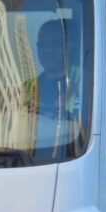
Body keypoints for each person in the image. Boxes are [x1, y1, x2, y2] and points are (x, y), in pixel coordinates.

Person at [33, 19, 82, 156]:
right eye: (43, 44)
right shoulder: (29, 86)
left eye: (55, 44)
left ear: (69, 46)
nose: (48, 50)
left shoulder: (85, 79)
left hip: (72, 158)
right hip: (29, 159)